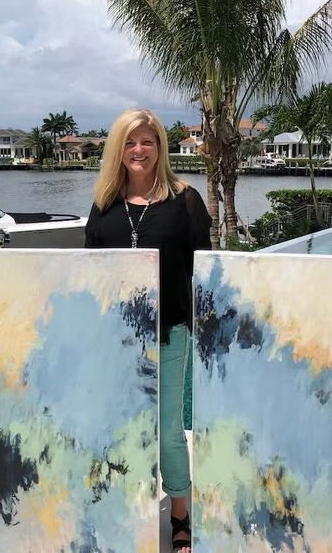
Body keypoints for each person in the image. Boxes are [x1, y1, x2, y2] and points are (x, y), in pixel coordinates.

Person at [84, 108, 211, 552]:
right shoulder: (104, 204)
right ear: (119, 150)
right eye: (131, 142)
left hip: (170, 334)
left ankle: (180, 517)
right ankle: (125, 507)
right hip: (117, 340)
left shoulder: (185, 199)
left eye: (148, 141)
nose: (139, 150)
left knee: (169, 431)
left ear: (160, 147)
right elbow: (90, 273)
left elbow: (205, 271)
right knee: (119, 426)